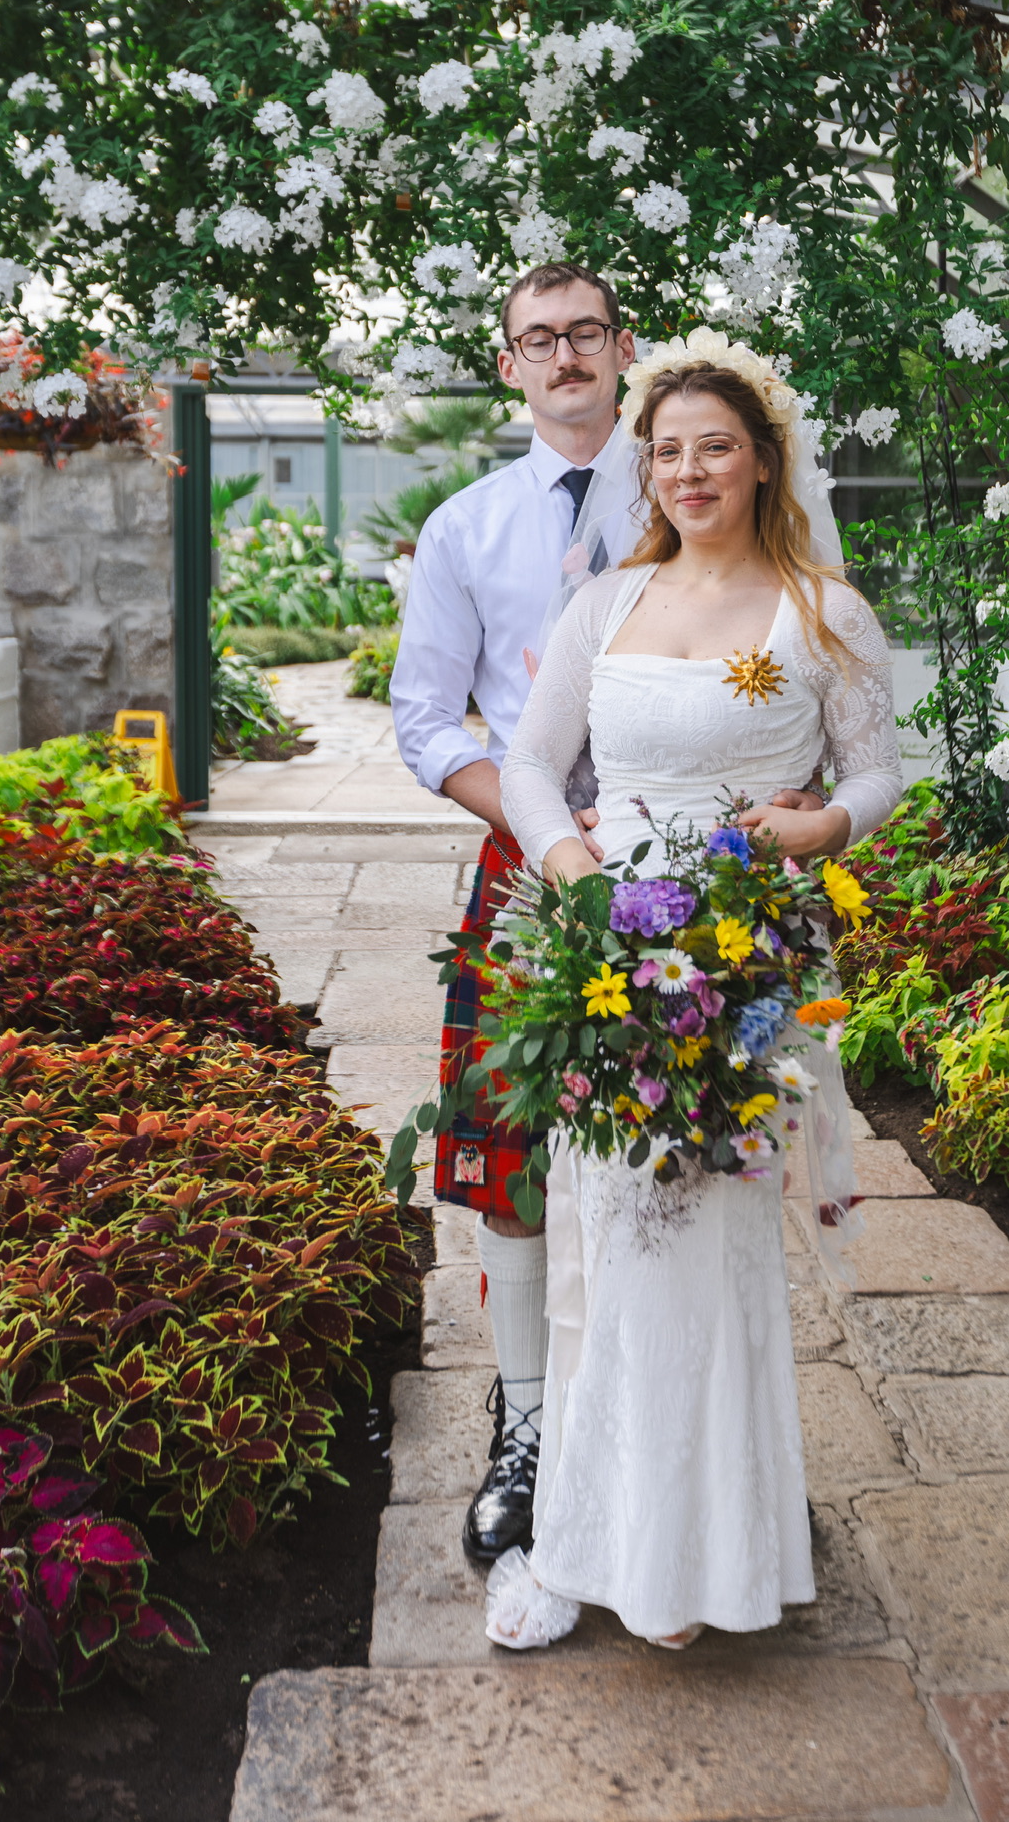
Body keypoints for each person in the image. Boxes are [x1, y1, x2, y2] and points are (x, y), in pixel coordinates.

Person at [391, 277, 829, 1568]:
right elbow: (428, 726)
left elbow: (809, 667)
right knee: (512, 1152)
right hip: (535, 874)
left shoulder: (706, 492)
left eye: (588, 334)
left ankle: (723, 1465)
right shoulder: (465, 529)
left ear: (625, 352)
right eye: (540, 340)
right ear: (511, 365)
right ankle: (529, 1430)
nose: (567, 357)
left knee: (703, 1161)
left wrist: (796, 799)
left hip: (705, 884)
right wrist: (558, 845)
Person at [488, 333, 902, 1649]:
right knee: (609, 1244)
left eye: (713, 445)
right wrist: (571, 868)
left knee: (709, 1253)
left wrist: (814, 834)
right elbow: (533, 763)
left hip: (740, 960)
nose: (687, 470)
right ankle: (596, 1545)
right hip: (611, 955)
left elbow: (882, 770)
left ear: (764, 457)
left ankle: (706, 1561)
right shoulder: (606, 605)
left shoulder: (822, 608)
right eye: (664, 450)